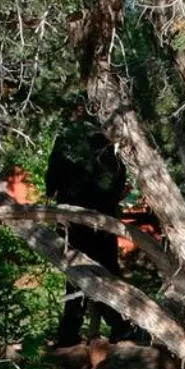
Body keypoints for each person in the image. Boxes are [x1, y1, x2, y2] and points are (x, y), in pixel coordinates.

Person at [44, 120, 128, 346]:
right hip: (102, 218)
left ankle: (71, 331)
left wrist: (52, 192)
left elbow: (51, 178)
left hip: (72, 217)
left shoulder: (66, 139)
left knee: (75, 274)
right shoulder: (107, 143)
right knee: (106, 271)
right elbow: (119, 178)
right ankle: (117, 325)